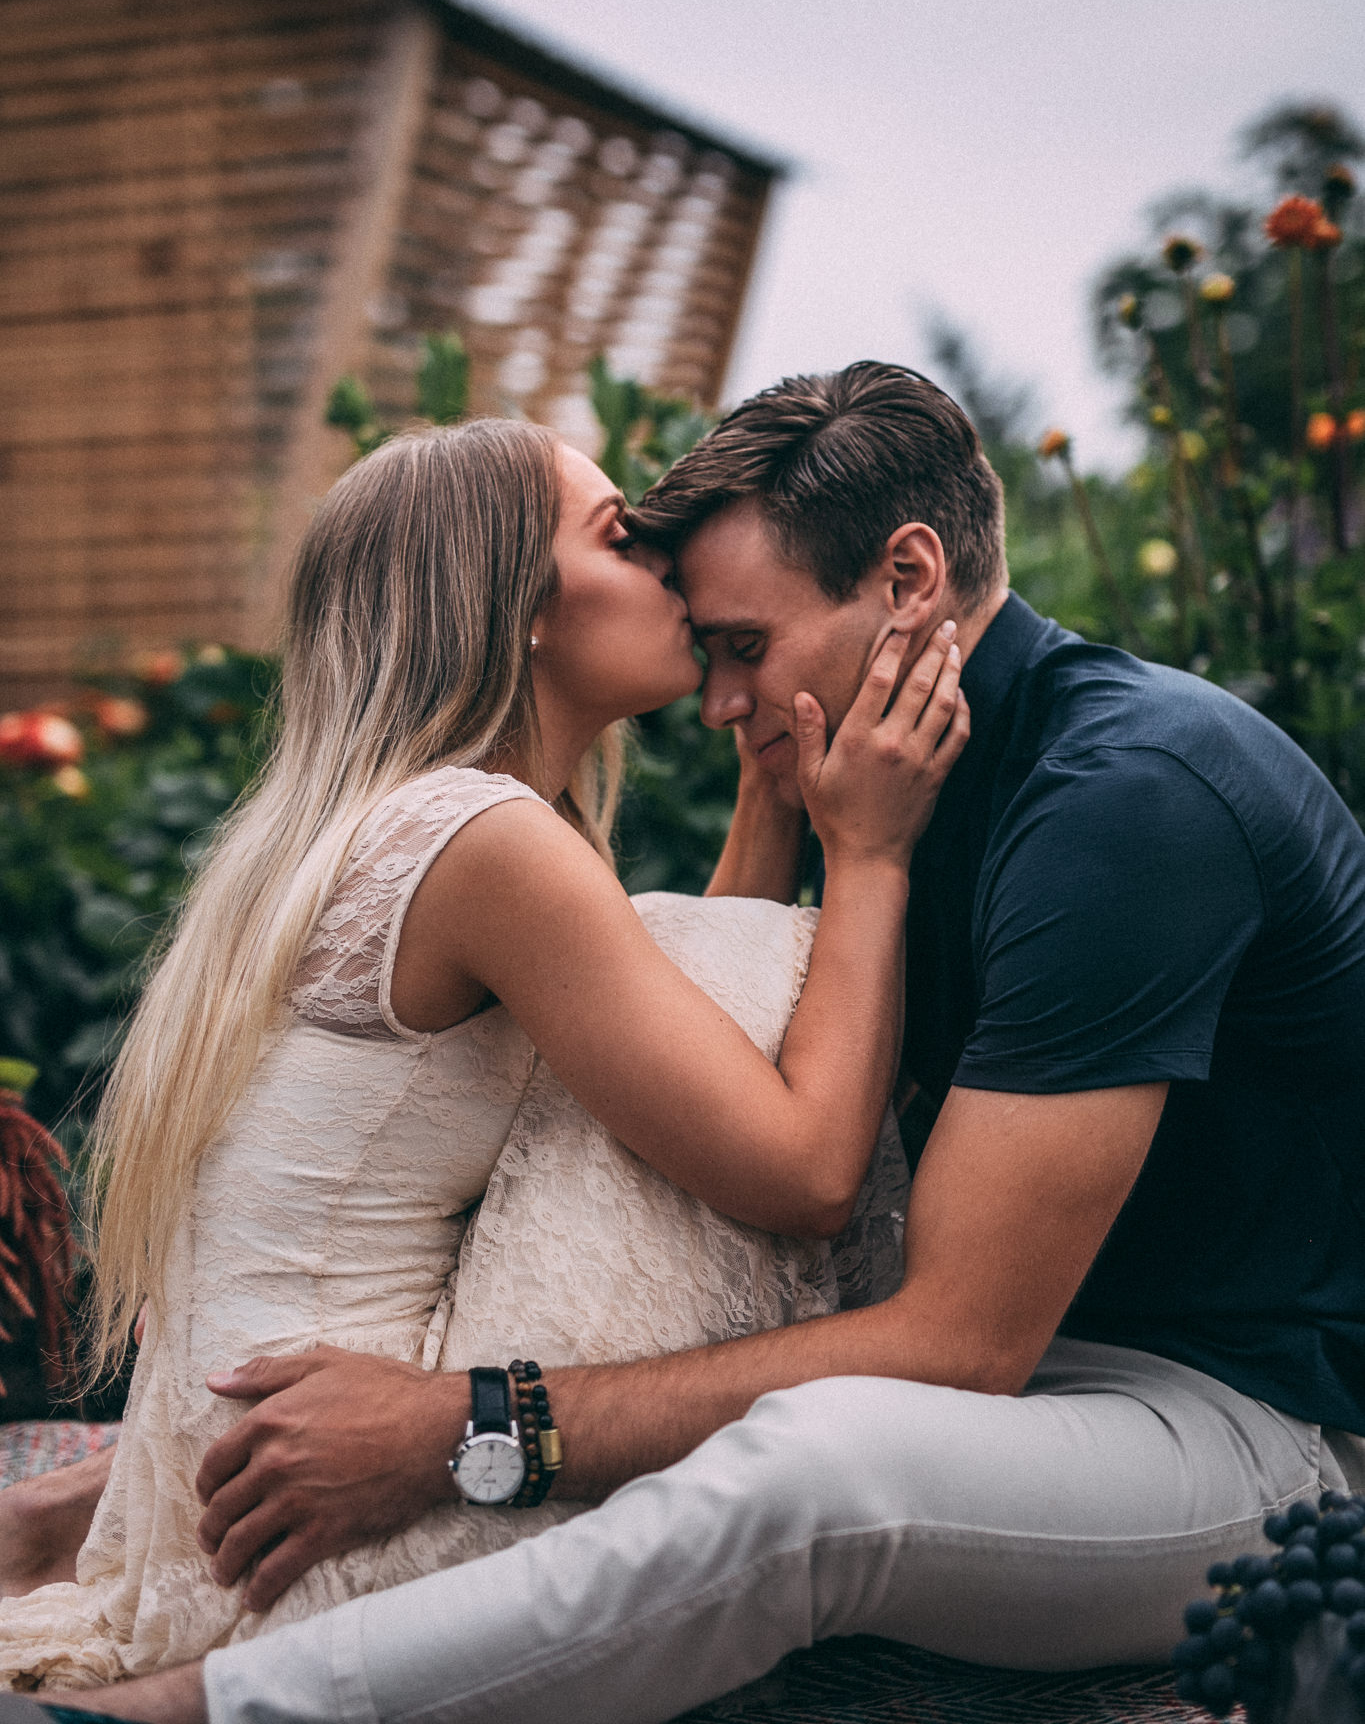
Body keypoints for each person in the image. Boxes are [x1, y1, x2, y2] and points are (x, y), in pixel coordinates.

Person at [11, 360, 1365, 1724]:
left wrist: (471, 1427)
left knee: (813, 1470)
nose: (720, 703)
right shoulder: (887, 776)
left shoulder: (1121, 803)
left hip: (1232, 1431)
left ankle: (190, 1715)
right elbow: (698, 1107)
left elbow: (956, 1343)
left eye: (741, 646)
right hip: (1026, 1374)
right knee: (730, 1407)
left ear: (907, 581)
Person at [0, 413, 967, 1685]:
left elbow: (676, 1042)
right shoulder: (488, 841)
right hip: (349, 1516)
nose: (673, 565)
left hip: (243, 1506)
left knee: (688, 950)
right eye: (623, 537)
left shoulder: (392, 818)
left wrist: (769, 799)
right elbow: (803, 1169)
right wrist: (873, 854)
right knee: (737, 969)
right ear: (519, 604)